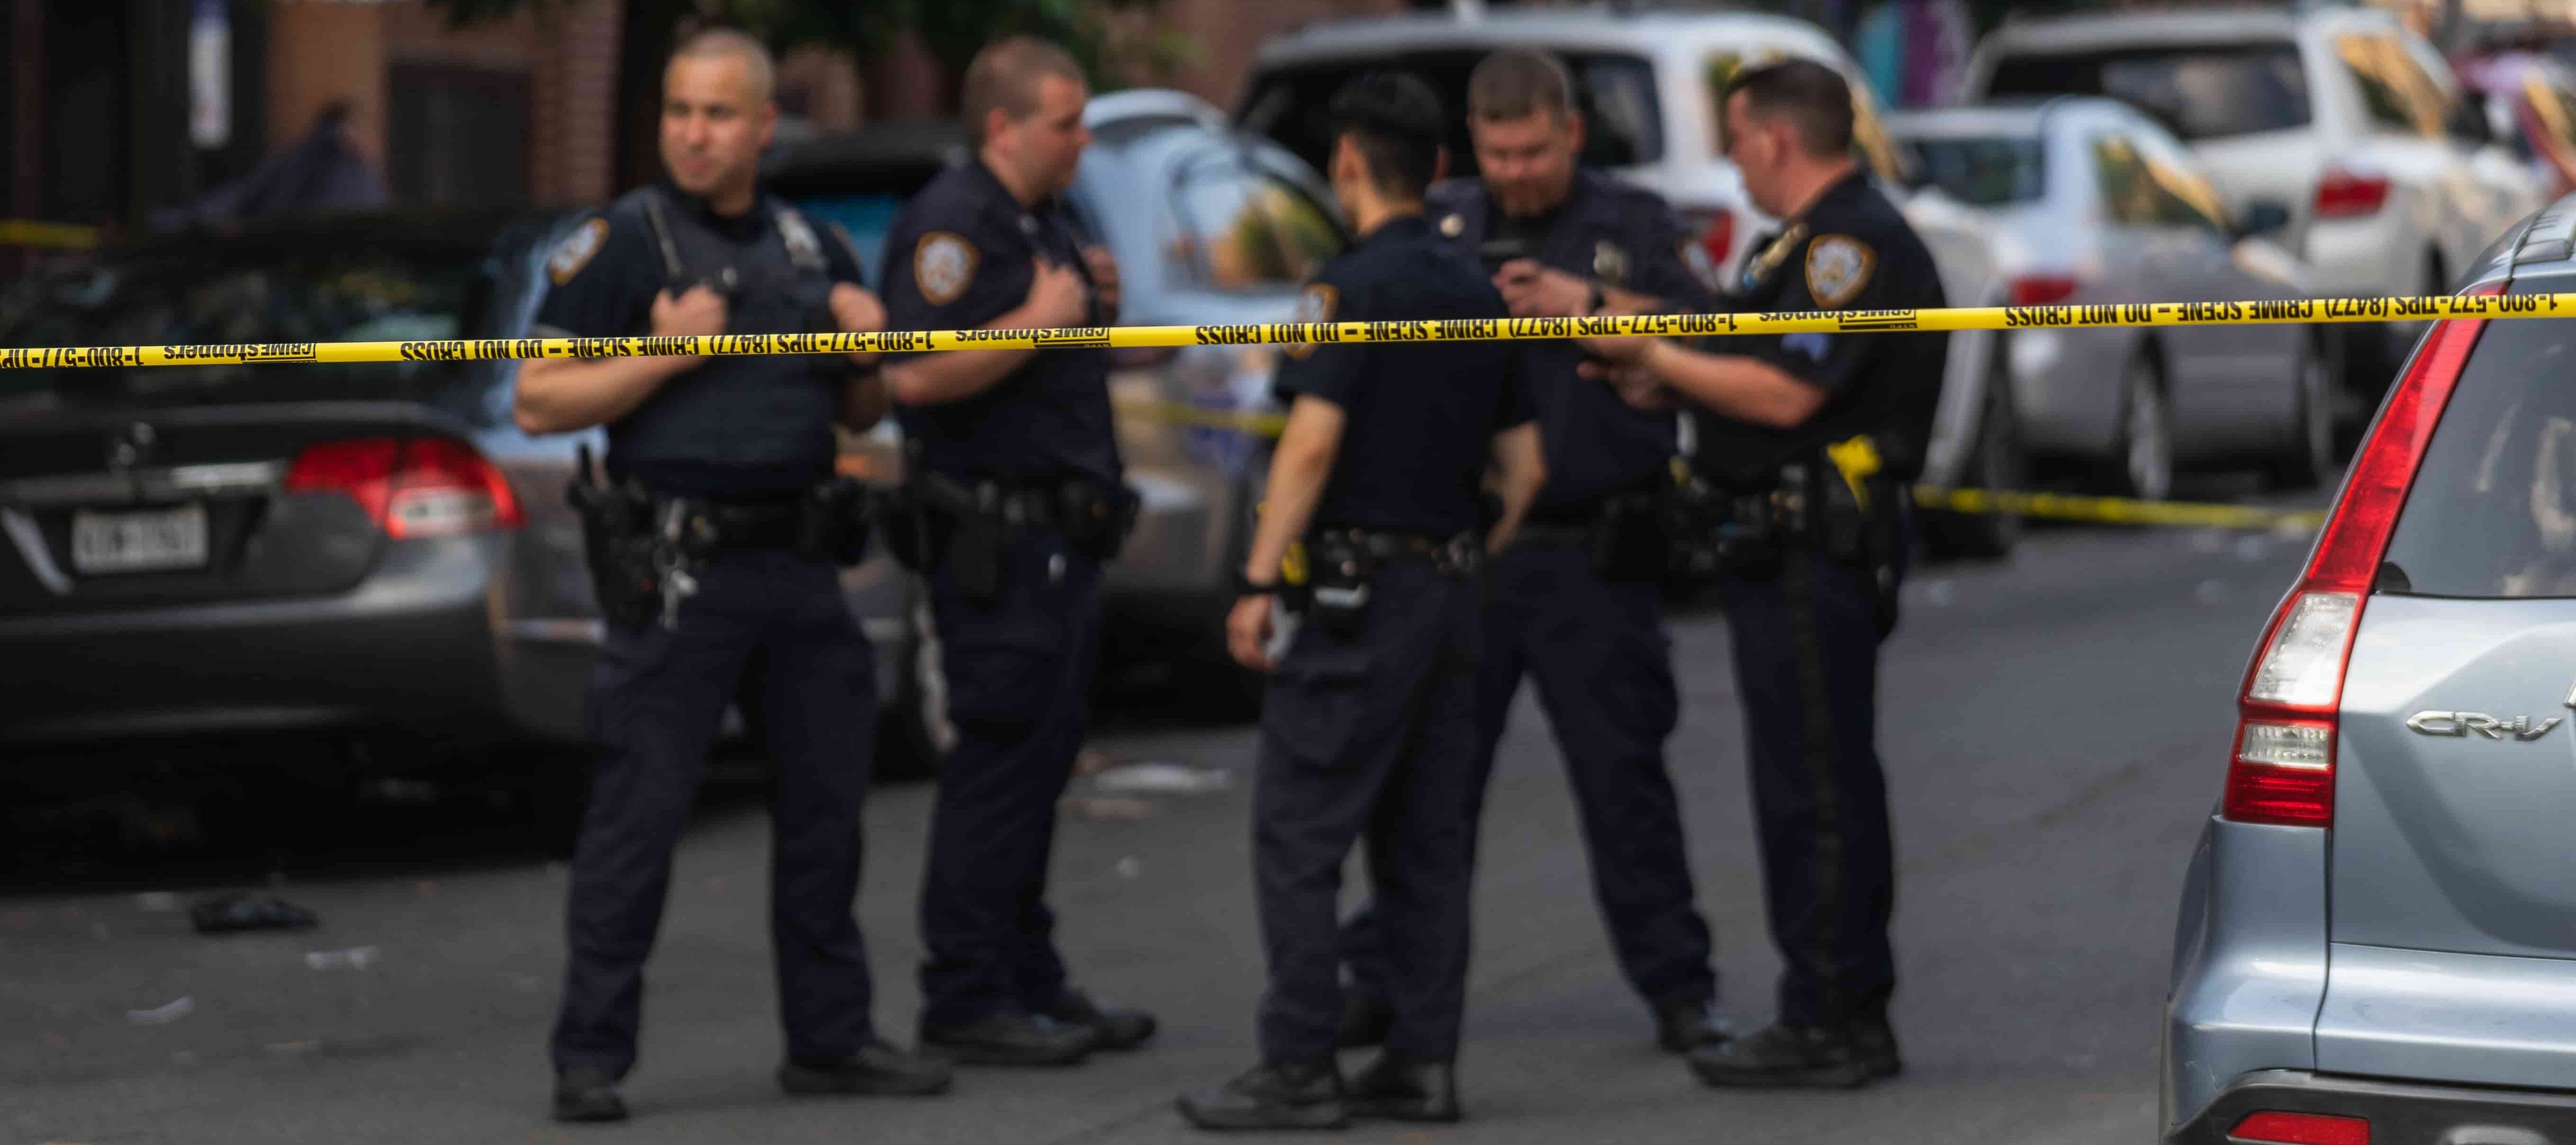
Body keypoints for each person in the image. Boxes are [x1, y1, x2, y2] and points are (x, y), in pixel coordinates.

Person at [515, 29, 950, 1123]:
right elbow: (538, 399)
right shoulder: (622, 241)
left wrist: (868, 355)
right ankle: (590, 1054)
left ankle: (832, 1037)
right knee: (637, 821)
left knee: (825, 818)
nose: (693, 133)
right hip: (681, 570)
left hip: (800, 568)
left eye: (716, 114)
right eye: (677, 112)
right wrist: (668, 350)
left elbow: (859, 411)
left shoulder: (813, 248)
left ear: (765, 126)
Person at [1333, 47, 1729, 1059]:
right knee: (1430, 793)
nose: (1515, 172)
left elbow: (1719, 333)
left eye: (1533, 151)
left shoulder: (1630, 223)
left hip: (1595, 553)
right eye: (1497, 152)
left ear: (1571, 134)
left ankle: (1680, 988)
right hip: (1466, 553)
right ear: (1471, 143)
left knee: (1623, 783)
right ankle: (1382, 981)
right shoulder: (1442, 224)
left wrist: (1584, 307)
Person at [1175, 71, 1546, 1131]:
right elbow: (1523, 470)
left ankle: (1298, 1065)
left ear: (1346, 162)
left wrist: (1255, 579)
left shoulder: (1343, 287)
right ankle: (1423, 1063)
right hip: (1450, 592)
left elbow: (1312, 439)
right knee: (1427, 840)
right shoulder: (1477, 291)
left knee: (1299, 832)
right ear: (1437, 168)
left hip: (1356, 596)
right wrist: (1458, 549)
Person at [1579, 57, 1942, 1089]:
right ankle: (1826, 1004)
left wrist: (1648, 352)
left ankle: (1831, 1017)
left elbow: (1785, 395)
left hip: (1809, 549)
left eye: (1735, 139)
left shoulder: (1848, 246)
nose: (1733, 162)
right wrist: (1657, 365)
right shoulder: (1795, 247)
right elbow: (1743, 369)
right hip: (1774, 546)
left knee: (1815, 792)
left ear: (1776, 138)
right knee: (1802, 786)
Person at [875, 36, 1156, 1068]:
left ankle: (1027, 975)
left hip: (1059, 536)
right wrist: (1040, 318)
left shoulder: (1044, 216)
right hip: (997, 535)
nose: (1083, 140)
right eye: (1066, 122)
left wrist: (1093, 312)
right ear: (1002, 124)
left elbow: (1065, 341)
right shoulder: (953, 223)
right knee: (998, 759)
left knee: (1040, 760)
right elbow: (913, 375)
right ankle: (965, 991)